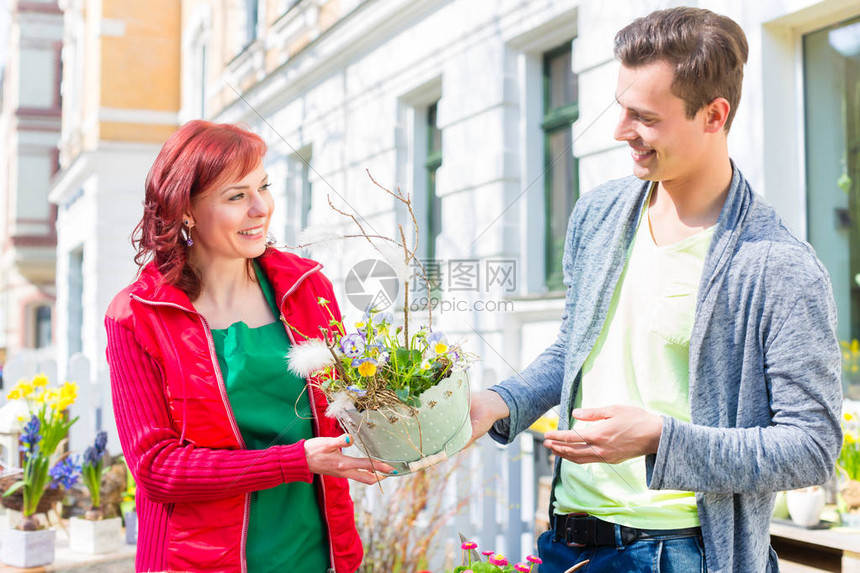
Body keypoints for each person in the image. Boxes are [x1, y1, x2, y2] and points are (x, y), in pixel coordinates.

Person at [469, 7, 843, 573]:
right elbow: (576, 347)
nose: (621, 131)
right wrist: (499, 402)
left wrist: (660, 440)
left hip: (678, 552)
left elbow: (811, 447)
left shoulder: (779, 265)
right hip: (565, 540)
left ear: (714, 115)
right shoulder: (599, 213)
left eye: (644, 117)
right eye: (622, 108)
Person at [105, 120, 392, 573]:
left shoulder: (306, 287)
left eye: (264, 187)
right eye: (237, 196)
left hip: (316, 551)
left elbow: (346, 401)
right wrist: (292, 461)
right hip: (195, 560)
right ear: (185, 210)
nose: (261, 208)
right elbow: (156, 468)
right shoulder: (138, 314)